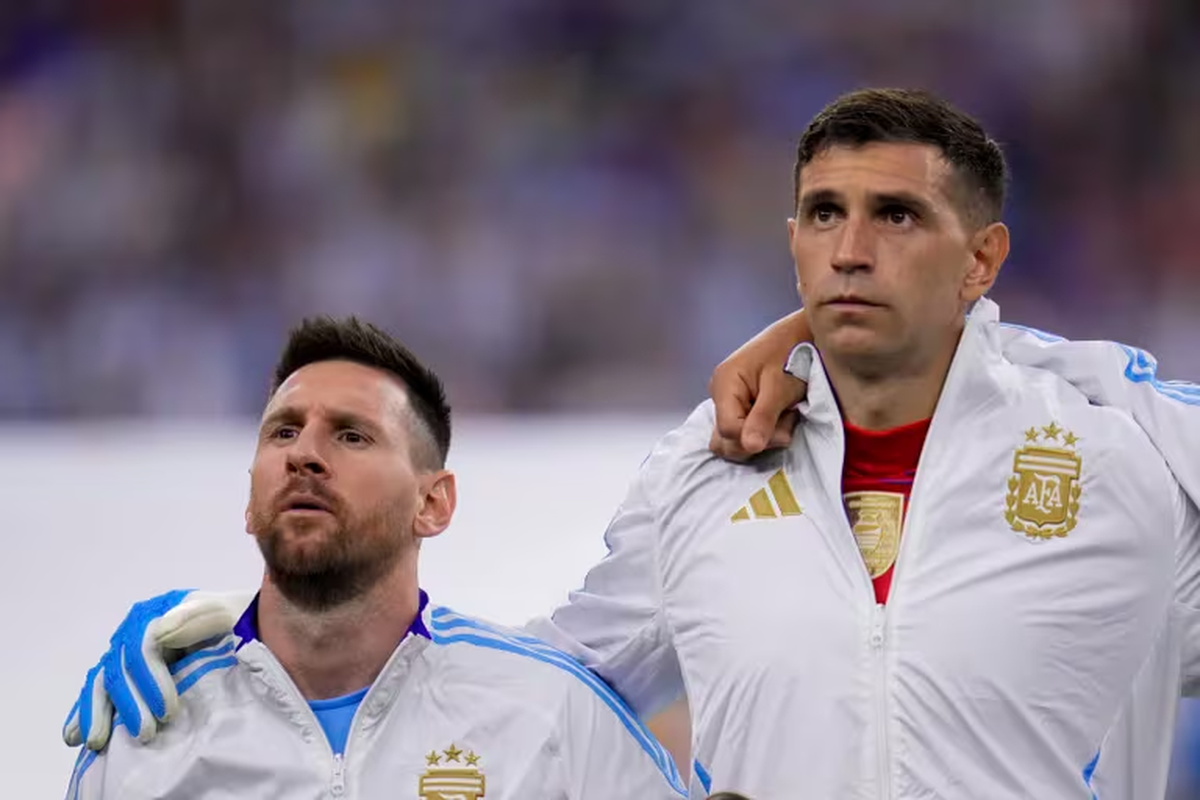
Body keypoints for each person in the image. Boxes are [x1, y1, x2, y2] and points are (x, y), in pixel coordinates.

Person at [64, 89, 1200, 798]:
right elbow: (536, 687)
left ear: (983, 261)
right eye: (822, 214)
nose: (850, 249)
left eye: (896, 216)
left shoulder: (1117, 456)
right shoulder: (707, 473)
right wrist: (253, 645)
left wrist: (956, 344)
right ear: (791, 241)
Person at [63, 316, 686, 799]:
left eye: (351, 435)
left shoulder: (549, 713)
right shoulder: (145, 737)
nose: (304, 453)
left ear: (434, 503)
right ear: (251, 500)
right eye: (282, 431)